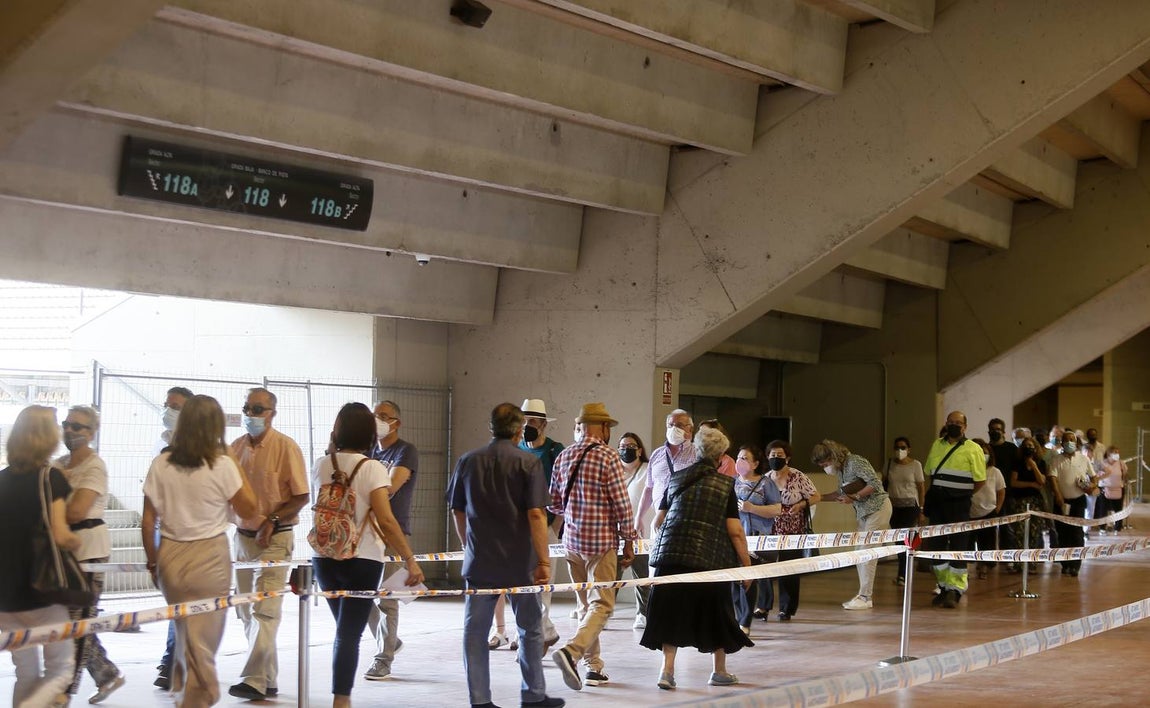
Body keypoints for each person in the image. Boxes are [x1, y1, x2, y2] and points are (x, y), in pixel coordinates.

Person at [141, 394, 258, 708]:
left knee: (186, 633)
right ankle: (201, 696)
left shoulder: (161, 463)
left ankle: (183, 693)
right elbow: (249, 508)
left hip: (169, 556)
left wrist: (153, 562)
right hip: (210, 557)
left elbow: (148, 518)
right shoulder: (222, 464)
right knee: (203, 640)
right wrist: (233, 461)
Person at [446, 402, 565, 708]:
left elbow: (457, 509)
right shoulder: (527, 463)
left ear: (491, 428)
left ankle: (480, 701)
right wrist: (543, 561)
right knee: (529, 629)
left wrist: (466, 544)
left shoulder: (468, 460)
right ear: (518, 429)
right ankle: (533, 695)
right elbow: (537, 515)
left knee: (475, 633)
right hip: (520, 562)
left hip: (480, 561)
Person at [311, 402, 424, 708]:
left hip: (324, 557)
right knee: (349, 634)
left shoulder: (321, 464)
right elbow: (386, 521)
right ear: (369, 432)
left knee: (343, 631)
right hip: (363, 558)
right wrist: (409, 559)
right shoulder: (372, 467)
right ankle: (341, 701)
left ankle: (341, 697)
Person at [640, 426, 753, 690]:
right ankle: (719, 670)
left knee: (670, 612)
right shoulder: (725, 485)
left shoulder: (677, 478)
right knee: (717, 611)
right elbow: (735, 531)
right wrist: (746, 567)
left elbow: (658, 521)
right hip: (709, 560)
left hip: (671, 558)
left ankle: (666, 671)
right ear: (722, 456)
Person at [227, 387, 309, 702]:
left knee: (266, 609)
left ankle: (253, 678)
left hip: (276, 538)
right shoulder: (235, 449)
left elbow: (301, 495)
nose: (251, 414)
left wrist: (271, 521)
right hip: (243, 539)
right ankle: (268, 678)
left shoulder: (286, 447)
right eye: (247, 408)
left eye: (258, 409)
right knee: (246, 611)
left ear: (272, 413)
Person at [549, 402, 636, 691]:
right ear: (600, 428)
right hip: (601, 543)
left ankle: (593, 666)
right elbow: (622, 504)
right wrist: (629, 541)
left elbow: (554, 503)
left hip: (572, 542)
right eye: (608, 427)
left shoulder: (563, 456)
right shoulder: (608, 456)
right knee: (602, 604)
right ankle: (571, 652)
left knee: (586, 604)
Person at [0, 405, 82, 708]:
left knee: (26, 671)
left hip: (5, 595)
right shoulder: (52, 479)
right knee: (61, 668)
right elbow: (61, 535)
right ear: (48, 437)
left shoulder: (1, 480)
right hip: (42, 592)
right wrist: (77, 543)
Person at [56, 405, 124, 705]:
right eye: (67, 424)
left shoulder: (94, 466)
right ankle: (107, 673)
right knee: (65, 621)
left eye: (78, 427)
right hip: (59, 553)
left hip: (88, 553)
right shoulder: (57, 464)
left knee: (79, 625)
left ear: (92, 433)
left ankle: (64, 692)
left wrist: (47, 516)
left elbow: (76, 511)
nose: (70, 431)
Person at [364, 400, 420, 681]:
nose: (379, 420)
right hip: (365, 534)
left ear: (396, 422)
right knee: (360, 596)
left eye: (384, 417)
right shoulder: (368, 450)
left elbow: (390, 486)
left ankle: (383, 658)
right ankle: (390, 641)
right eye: (375, 415)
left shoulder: (405, 451)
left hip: (393, 532)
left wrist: (370, 492)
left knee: (388, 599)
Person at [811, 440, 891, 610]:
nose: (825, 468)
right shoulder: (841, 470)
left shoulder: (855, 461)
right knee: (859, 553)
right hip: (864, 513)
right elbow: (841, 493)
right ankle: (863, 594)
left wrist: (854, 497)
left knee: (867, 552)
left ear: (833, 456)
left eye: (825, 463)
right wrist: (819, 497)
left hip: (878, 509)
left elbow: (874, 484)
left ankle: (865, 596)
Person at [746, 441, 819, 624]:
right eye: (772, 455)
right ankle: (763, 606)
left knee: (789, 569)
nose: (775, 459)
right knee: (764, 567)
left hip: (792, 529)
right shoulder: (765, 478)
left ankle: (786, 608)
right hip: (769, 528)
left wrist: (801, 504)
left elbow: (816, 495)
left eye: (779, 455)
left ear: (787, 457)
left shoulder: (797, 476)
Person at [920, 411, 986, 608]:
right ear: (946, 424)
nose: (954, 425)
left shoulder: (974, 449)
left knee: (958, 546)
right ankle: (943, 586)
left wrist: (962, 494)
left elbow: (980, 481)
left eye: (958, 423)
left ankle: (955, 590)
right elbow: (929, 474)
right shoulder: (936, 445)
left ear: (965, 427)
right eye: (951, 422)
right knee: (935, 546)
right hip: (938, 504)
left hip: (959, 504)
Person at [155, 386, 193, 689]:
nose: (168, 411)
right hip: (165, 532)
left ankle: (173, 662)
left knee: (184, 604)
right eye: (167, 405)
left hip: (192, 538)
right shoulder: (163, 445)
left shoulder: (203, 451)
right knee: (177, 604)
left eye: (176, 406)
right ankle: (174, 661)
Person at [632, 410, 696, 559]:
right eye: (670, 425)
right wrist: (639, 517)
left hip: (686, 522)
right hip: (659, 521)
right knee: (656, 566)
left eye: (679, 425)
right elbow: (649, 488)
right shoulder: (657, 454)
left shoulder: (697, 454)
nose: (674, 428)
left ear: (690, 429)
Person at [733, 444, 775, 629]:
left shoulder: (766, 483)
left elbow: (777, 509)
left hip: (756, 538)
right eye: (738, 458)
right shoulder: (731, 482)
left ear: (756, 463)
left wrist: (753, 508)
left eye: (745, 458)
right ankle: (735, 618)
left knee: (748, 578)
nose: (739, 462)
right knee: (733, 580)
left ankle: (745, 622)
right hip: (734, 536)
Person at [618, 432, 653, 630]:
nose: (626, 449)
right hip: (615, 533)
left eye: (631, 446)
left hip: (641, 533)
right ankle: (603, 611)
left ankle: (643, 612)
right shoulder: (613, 471)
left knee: (642, 575)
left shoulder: (647, 470)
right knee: (611, 576)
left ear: (639, 450)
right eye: (622, 446)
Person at [1048, 430, 1094, 577]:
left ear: (1076, 442)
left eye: (1072, 440)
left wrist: (1091, 487)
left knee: (1076, 534)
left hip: (1078, 501)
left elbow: (1094, 478)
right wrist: (1058, 495)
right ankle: (1065, 564)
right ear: (1062, 443)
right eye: (1066, 440)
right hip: (1061, 501)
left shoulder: (1083, 459)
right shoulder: (1056, 460)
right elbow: (1053, 478)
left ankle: (1075, 565)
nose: (1069, 443)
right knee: (1063, 533)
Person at [882, 436, 924, 586]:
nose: (900, 450)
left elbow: (920, 487)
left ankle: (903, 574)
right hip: (894, 506)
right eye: (897, 447)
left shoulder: (916, 465)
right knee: (898, 539)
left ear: (909, 449)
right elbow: (884, 483)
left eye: (903, 447)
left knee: (904, 538)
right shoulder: (889, 464)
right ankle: (903, 572)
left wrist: (921, 509)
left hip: (910, 506)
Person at [1003, 436, 1050, 571]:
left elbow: (1041, 481)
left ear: (1036, 448)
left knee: (1034, 533)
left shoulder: (1040, 463)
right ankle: (1019, 562)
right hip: (1020, 501)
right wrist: (1030, 484)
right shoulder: (1017, 463)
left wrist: (1033, 465)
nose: (1029, 448)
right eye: (1026, 446)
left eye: (1031, 446)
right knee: (1020, 532)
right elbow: (1013, 482)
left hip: (1036, 502)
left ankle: (1031, 562)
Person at [969, 438, 1006, 580]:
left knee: (987, 542)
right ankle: (965, 567)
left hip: (989, 511)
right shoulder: (969, 471)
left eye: (985, 453)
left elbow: (1001, 491)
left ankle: (984, 566)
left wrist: (997, 508)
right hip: (970, 511)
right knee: (968, 541)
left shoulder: (995, 472)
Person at [1096, 445, 1128, 532]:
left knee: (1118, 509)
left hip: (1118, 489)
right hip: (1105, 489)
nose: (1117, 454)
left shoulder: (1121, 463)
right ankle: (1102, 527)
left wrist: (1123, 483)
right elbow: (1097, 475)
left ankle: (1118, 527)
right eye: (1115, 453)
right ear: (1109, 454)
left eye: (1118, 453)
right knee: (1103, 509)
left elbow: (1125, 475)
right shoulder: (1102, 463)